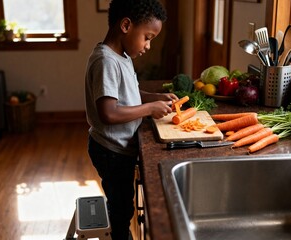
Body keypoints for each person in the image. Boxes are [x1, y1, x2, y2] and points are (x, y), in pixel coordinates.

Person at [84, 0, 178, 239]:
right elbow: (109, 112)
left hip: (119, 149)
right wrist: (149, 108)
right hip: (110, 150)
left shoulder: (122, 56)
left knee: (121, 200)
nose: (147, 45)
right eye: (147, 37)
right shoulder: (106, 61)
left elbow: (129, 94)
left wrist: (156, 97)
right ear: (126, 25)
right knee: (121, 207)